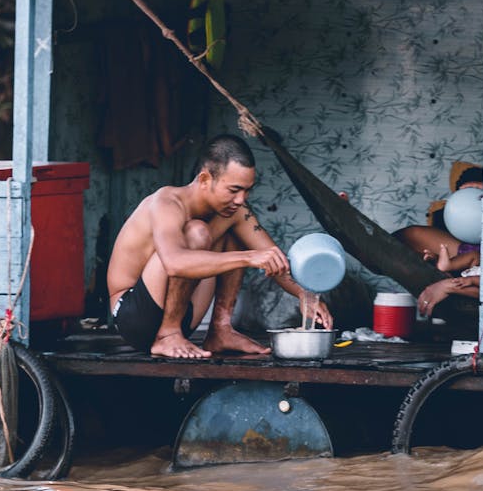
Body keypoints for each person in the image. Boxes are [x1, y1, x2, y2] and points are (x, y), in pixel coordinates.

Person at [107, 134, 333, 358]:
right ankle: (168, 334)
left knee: (233, 230)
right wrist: (247, 257)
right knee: (197, 232)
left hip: (182, 315)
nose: (241, 199)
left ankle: (221, 330)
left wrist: (305, 296)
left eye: (247, 190)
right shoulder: (166, 202)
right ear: (205, 179)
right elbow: (174, 263)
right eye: (234, 190)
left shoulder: (234, 212)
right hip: (133, 316)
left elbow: (273, 258)